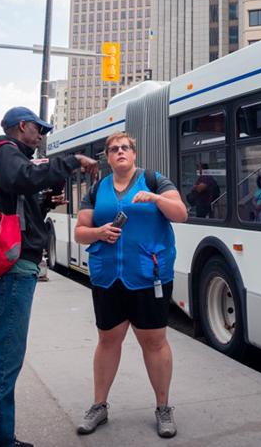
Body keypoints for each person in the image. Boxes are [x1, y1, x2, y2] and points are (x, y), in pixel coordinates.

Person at [0, 107, 99, 447]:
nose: (42, 135)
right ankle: (0, 441)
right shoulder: (8, 153)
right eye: (38, 129)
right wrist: (72, 160)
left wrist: (43, 203)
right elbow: (26, 177)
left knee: (4, 356)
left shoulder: (12, 158)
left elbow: (19, 201)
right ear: (22, 127)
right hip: (15, 271)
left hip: (17, 268)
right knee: (6, 359)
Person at [74, 132, 187, 439]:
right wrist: (98, 232)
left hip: (148, 276)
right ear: (108, 158)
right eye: (114, 149)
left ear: (134, 154)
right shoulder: (97, 190)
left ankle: (163, 408)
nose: (120, 152)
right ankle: (99, 405)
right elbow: (79, 232)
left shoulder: (154, 180)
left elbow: (181, 214)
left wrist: (155, 198)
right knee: (107, 340)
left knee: (154, 342)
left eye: (125, 148)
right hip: (108, 276)